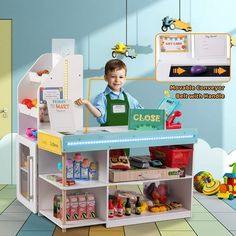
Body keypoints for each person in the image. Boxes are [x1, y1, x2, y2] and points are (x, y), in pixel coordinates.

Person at [74, 59, 143, 126]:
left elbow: (140, 112)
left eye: (121, 77)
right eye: (113, 76)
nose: (117, 80)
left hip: (125, 134)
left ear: (125, 78)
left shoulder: (128, 97)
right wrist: (87, 103)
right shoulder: (102, 97)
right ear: (106, 77)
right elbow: (98, 114)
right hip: (107, 135)